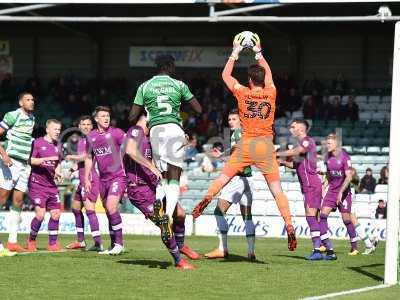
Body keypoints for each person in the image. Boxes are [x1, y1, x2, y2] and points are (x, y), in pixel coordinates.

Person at [192, 33, 297, 251]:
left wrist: (235, 52)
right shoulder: (271, 92)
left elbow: (225, 75)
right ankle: (289, 223)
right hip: (266, 146)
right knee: (277, 191)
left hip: (246, 145)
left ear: (249, 80)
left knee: (222, 179)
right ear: (264, 80)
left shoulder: (242, 93)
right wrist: (259, 52)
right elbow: (268, 75)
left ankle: (206, 199)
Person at [129, 54, 202, 260]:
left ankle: (162, 206)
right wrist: (180, 107)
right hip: (173, 128)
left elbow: (132, 116)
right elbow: (198, 108)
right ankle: (167, 215)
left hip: (155, 131)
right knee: (174, 176)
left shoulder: (144, 86)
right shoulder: (179, 84)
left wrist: (148, 110)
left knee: (163, 174)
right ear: (170, 66)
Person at [124, 113, 195, 269]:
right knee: (165, 223)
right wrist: (150, 166)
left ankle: (181, 246)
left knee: (180, 214)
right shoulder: (136, 130)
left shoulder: (152, 138)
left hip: (154, 187)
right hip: (140, 190)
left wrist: (182, 143)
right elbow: (130, 150)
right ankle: (178, 260)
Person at [204, 109, 256, 260]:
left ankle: (222, 248)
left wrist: (223, 155)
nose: (231, 122)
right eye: (229, 119)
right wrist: (222, 156)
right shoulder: (244, 134)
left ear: (240, 120)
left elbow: (237, 154)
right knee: (247, 216)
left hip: (238, 179)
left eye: (234, 119)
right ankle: (251, 251)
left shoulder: (239, 134)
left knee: (218, 211)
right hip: (249, 179)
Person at [277, 119, 323, 260]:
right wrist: (283, 162)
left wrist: (279, 154)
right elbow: (296, 165)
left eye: (293, 127)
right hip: (308, 185)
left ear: (301, 130)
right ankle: (324, 248)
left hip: (311, 184)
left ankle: (317, 250)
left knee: (310, 216)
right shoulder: (302, 144)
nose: (290, 129)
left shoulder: (307, 141)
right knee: (314, 217)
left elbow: (299, 150)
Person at [84, 106, 126, 255]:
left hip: (118, 176)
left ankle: (119, 244)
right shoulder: (91, 137)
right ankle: (114, 244)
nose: (106, 118)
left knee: (111, 206)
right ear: (96, 119)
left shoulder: (117, 133)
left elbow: (131, 147)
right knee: (109, 212)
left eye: (108, 115)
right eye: (103, 116)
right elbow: (89, 157)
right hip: (103, 179)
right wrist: (87, 178)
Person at [0, 92, 35, 255]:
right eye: (28, 99)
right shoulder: (13, 115)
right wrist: (4, 155)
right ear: (20, 102)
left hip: (23, 165)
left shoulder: (32, 119)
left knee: (19, 200)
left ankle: (12, 241)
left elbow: (27, 141)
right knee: (2, 197)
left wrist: (28, 163)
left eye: (33, 99)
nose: (31, 102)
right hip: (10, 161)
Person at [65, 116, 103, 251]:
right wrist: (71, 169)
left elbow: (86, 157)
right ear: (79, 126)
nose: (86, 126)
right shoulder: (82, 141)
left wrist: (70, 157)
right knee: (76, 208)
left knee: (90, 209)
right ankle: (80, 241)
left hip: (91, 179)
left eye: (88, 124)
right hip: (82, 179)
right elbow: (81, 162)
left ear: (92, 126)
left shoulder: (93, 139)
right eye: (83, 124)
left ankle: (98, 243)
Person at [26, 119, 64, 252]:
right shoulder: (37, 143)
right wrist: (45, 159)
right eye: (55, 129)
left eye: (59, 129)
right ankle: (31, 240)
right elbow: (30, 160)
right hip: (37, 184)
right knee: (40, 215)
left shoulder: (59, 146)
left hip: (51, 186)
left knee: (56, 214)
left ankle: (52, 244)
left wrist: (58, 173)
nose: (57, 132)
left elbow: (57, 163)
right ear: (47, 129)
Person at [319, 133, 358, 259]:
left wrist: (341, 192)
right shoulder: (327, 157)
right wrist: (324, 186)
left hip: (344, 192)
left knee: (346, 220)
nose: (327, 145)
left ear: (336, 144)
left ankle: (354, 246)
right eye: (326, 143)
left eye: (329, 143)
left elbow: (349, 177)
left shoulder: (345, 157)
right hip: (332, 191)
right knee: (322, 215)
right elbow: (329, 175)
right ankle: (325, 244)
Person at [349, 168, 377, 255]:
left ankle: (368, 244)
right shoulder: (352, 175)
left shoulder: (348, 173)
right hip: (350, 194)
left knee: (352, 221)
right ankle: (370, 238)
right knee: (352, 220)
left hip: (348, 195)